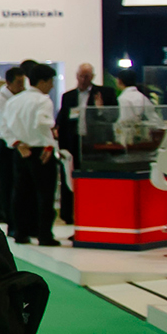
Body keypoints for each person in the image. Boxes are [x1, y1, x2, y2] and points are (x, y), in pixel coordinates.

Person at [3, 60, 60, 246]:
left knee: (20, 194)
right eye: (51, 81)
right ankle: (44, 235)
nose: (52, 85)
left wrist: (17, 143)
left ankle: (20, 233)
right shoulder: (43, 100)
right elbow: (43, 123)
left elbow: (3, 127)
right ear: (42, 82)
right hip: (41, 151)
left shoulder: (14, 101)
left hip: (20, 151)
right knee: (44, 195)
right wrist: (49, 144)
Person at [58, 65, 108, 223]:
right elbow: (63, 121)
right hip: (73, 144)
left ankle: (93, 211)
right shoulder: (69, 96)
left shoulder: (104, 93)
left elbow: (112, 119)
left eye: (87, 76)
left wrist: (100, 110)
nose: (83, 79)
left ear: (92, 76)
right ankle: (68, 214)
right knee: (70, 180)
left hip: (93, 144)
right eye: (81, 76)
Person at [0, 66, 25, 225]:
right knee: (7, 183)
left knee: (19, 184)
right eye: (18, 82)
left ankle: (20, 219)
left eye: (23, 82)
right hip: (5, 145)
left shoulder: (20, 98)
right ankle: (11, 219)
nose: (21, 86)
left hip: (19, 144)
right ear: (9, 82)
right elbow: (8, 125)